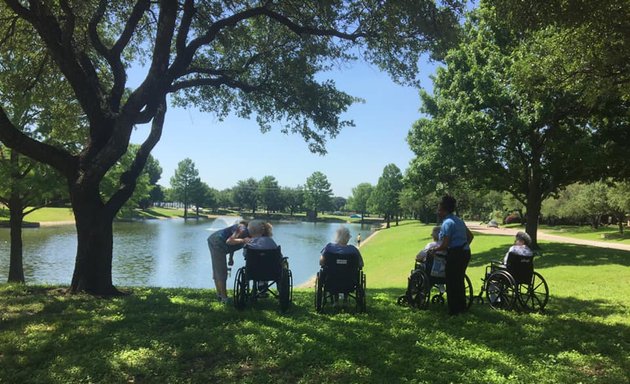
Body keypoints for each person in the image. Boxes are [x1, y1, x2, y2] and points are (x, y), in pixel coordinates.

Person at [429, 195, 474, 316]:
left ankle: (454, 311)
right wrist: (463, 246)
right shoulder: (459, 221)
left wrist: (434, 249)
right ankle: (461, 308)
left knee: (451, 282)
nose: (438, 212)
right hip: (465, 252)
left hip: (455, 254)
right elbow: (470, 237)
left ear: (444, 210)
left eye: (439, 209)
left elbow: (445, 244)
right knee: (459, 280)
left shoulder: (447, 223)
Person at [207, 220, 250, 304]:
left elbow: (233, 243)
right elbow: (230, 241)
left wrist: (231, 258)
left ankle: (219, 294)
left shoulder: (245, 232)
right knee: (221, 271)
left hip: (216, 241)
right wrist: (243, 240)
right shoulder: (242, 229)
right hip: (216, 243)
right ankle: (224, 298)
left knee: (218, 269)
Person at [416, 226, 446, 293]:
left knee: (420, 266)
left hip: (432, 272)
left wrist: (418, 258)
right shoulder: (448, 246)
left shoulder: (431, 245)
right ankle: (441, 285)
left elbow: (420, 256)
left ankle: (423, 290)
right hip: (445, 272)